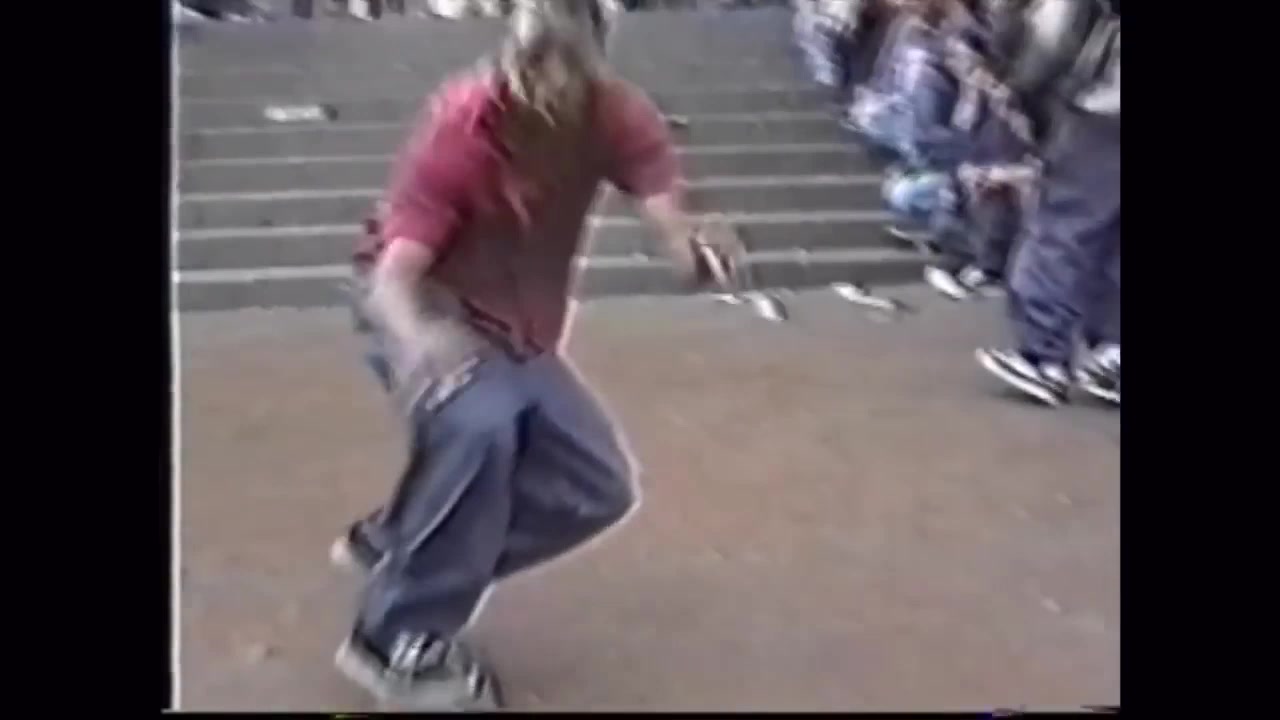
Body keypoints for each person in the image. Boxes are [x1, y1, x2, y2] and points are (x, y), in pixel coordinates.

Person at [334, 0, 738, 710]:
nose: (544, 90)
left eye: (564, 70)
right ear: (512, 56)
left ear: (594, 65)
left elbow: (670, 224)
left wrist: (696, 251)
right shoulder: (463, 125)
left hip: (520, 329)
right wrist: (422, 342)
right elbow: (394, 278)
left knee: (597, 487)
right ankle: (394, 641)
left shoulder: (618, 117)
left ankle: (406, 544)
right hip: (430, 309)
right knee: (481, 424)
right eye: (531, 64)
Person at [975, 0, 1119, 406]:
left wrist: (1021, 88)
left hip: (1105, 104)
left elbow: (1057, 34)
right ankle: (1115, 350)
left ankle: (1044, 356)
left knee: (1065, 226)